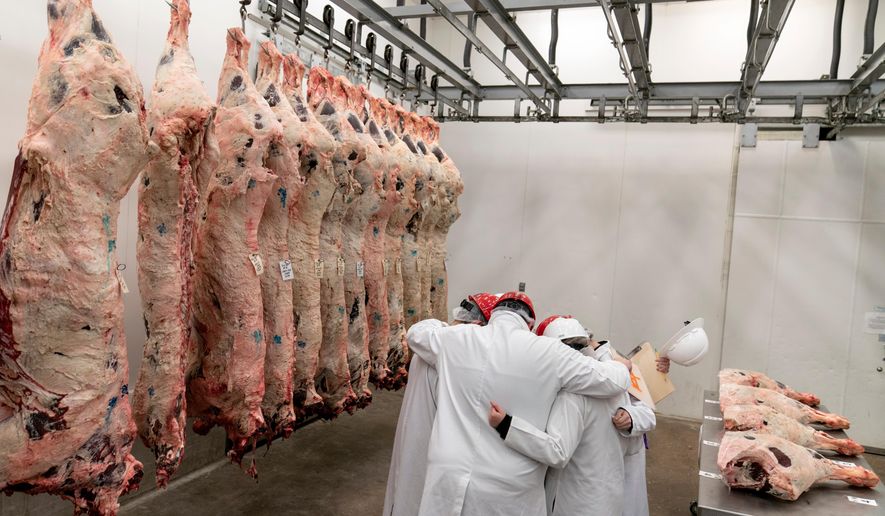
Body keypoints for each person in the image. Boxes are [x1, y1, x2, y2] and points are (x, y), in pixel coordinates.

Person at [405, 292, 632, 516]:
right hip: (509, 486)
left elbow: (416, 333)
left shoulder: (456, 338)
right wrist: (615, 361)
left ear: (494, 314)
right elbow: (613, 380)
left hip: (449, 474)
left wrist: (454, 326)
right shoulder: (551, 352)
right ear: (530, 323)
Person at [488, 315, 656, 516]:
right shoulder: (616, 380)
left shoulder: (572, 395)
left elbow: (557, 451)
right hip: (610, 497)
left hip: (576, 503)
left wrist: (506, 425)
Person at [383, 293, 499, 516]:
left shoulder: (432, 335)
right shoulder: (457, 352)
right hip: (438, 447)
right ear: (477, 326)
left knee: (406, 493)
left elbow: (421, 330)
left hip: (417, 439)